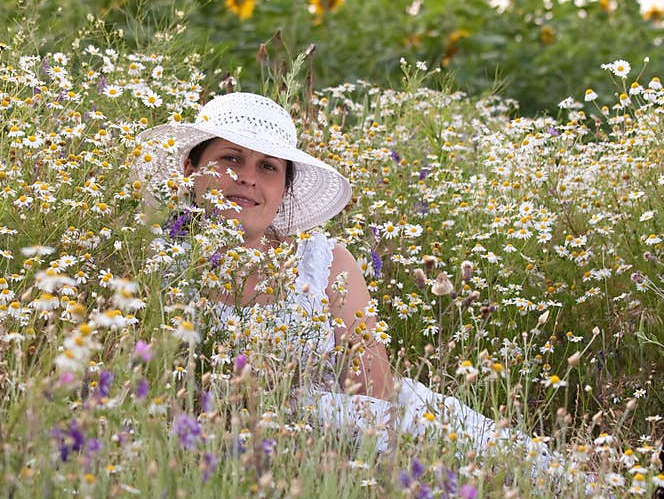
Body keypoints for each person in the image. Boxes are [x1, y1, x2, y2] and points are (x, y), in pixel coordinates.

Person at [133, 92, 551, 466]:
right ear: (190, 167)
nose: (248, 178)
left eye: (268, 167)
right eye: (230, 159)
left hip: (354, 440)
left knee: (515, 471)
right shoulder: (154, 264)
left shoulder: (324, 263)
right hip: (224, 449)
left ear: (284, 188)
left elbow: (375, 393)